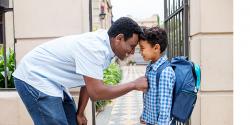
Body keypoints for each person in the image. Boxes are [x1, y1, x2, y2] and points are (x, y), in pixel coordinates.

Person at [12, 17, 148, 125]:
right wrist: (133, 85)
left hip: (53, 81)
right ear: (119, 38)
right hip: (33, 76)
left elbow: (88, 82)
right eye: (131, 46)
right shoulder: (94, 48)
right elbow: (96, 92)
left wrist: (81, 113)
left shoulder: (108, 47)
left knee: (73, 120)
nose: (131, 52)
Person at [139, 27, 175, 125]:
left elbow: (165, 107)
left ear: (156, 48)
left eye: (142, 48)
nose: (140, 52)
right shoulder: (150, 67)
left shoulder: (165, 72)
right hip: (150, 120)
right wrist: (144, 115)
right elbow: (148, 96)